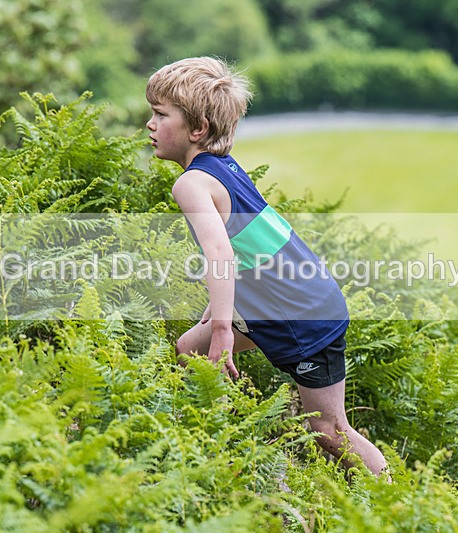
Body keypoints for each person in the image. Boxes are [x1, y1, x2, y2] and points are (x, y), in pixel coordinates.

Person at [145, 57, 388, 478]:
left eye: (161, 114)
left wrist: (223, 326)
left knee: (327, 430)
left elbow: (219, 253)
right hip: (287, 303)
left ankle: (396, 499)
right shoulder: (224, 168)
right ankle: (220, 447)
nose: (149, 124)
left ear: (198, 128)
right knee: (190, 351)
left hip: (304, 316)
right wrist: (219, 311)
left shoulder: (191, 184)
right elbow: (251, 245)